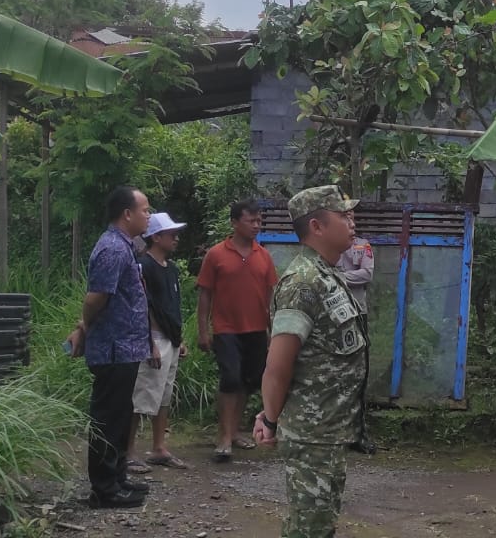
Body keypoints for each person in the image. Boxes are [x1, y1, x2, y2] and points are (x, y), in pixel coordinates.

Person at [252, 185, 369, 538]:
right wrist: (270, 419)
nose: (352, 222)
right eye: (343, 215)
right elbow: (278, 365)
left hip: (329, 430)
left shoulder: (327, 274)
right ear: (316, 226)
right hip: (312, 433)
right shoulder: (303, 283)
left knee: (319, 523)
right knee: (310, 527)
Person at [65, 186, 153, 509]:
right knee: (107, 417)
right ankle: (104, 489)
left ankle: (117, 479)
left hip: (126, 348)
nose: (148, 215)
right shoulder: (113, 249)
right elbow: (96, 298)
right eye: (144, 209)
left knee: (119, 414)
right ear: (126, 214)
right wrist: (84, 328)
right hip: (114, 348)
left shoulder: (124, 246)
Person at [197, 199, 280, 463]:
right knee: (230, 378)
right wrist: (203, 331)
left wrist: (272, 332)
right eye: (250, 220)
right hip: (226, 328)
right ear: (234, 222)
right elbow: (205, 295)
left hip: (255, 329)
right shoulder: (216, 254)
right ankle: (223, 437)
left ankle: (234, 432)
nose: (256, 225)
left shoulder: (263, 256)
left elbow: (269, 297)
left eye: (259, 221)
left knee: (249, 380)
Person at [127, 212, 189, 473]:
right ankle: (128, 451)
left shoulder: (171, 268)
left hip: (170, 340)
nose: (175, 238)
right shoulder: (144, 266)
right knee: (141, 397)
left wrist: (179, 338)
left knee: (164, 395)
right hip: (152, 339)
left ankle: (159, 447)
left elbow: (171, 306)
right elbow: (143, 306)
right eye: (170, 234)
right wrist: (149, 341)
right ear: (155, 237)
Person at [335, 235, 375, 309]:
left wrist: (336, 277)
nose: (351, 225)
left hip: (358, 306)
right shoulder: (329, 243)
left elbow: (367, 274)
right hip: (336, 306)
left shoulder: (363, 244)